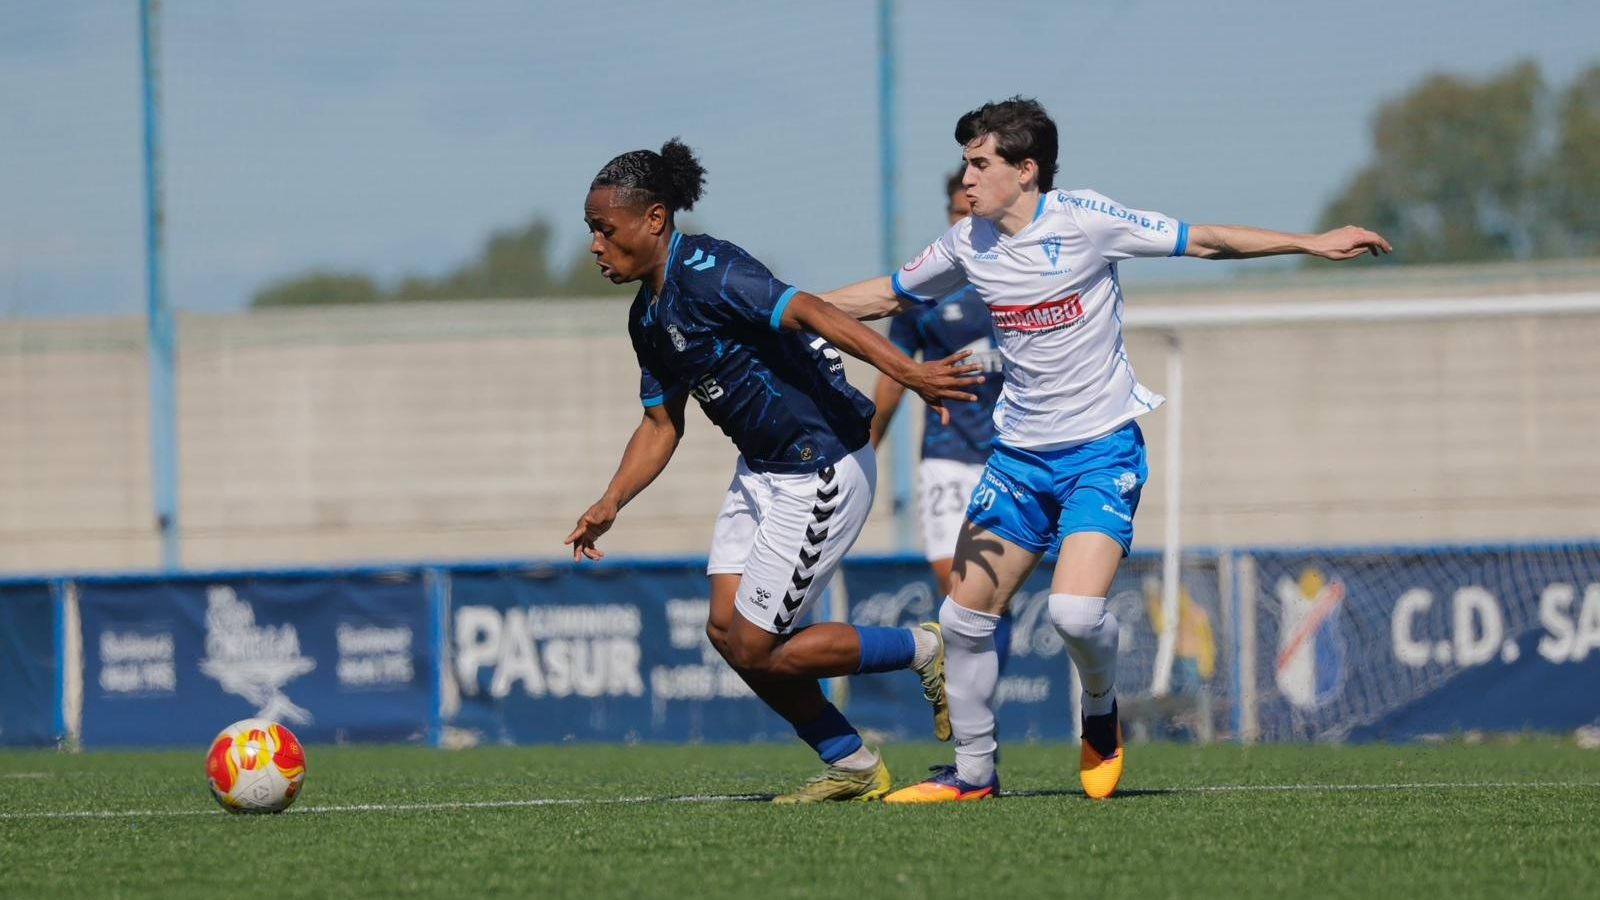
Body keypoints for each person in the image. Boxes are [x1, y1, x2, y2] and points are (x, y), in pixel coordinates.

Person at [824, 98, 1390, 803]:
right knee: (961, 620)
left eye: (980, 163)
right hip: (1019, 463)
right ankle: (973, 776)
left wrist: (1310, 242)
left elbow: (1205, 240)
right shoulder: (967, 243)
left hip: (1099, 453)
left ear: (1026, 170)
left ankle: (1099, 710)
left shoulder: (1085, 220)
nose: (966, 179)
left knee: (1073, 614)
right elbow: (886, 295)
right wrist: (783, 307)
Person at [564, 139, 983, 803]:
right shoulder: (646, 317)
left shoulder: (711, 268)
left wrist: (908, 372)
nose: (594, 244)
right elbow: (659, 425)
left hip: (821, 465)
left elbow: (812, 309)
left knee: (759, 645)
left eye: (603, 229)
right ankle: (850, 764)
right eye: (591, 230)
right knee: (726, 633)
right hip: (761, 471)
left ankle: (923, 649)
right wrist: (612, 499)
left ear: (654, 219)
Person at [870, 170, 1004, 597]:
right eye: (958, 212)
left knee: (997, 592)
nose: (966, 221)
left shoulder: (1018, 280)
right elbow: (893, 379)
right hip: (946, 453)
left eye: (975, 212)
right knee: (957, 587)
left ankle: (986, 663)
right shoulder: (923, 289)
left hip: (1010, 456)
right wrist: (864, 451)